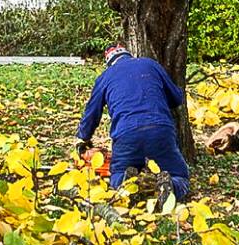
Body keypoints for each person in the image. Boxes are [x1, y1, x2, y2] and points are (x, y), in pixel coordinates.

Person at [77, 43, 192, 200]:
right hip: (159, 129)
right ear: (128, 54)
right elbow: (177, 98)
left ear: (109, 62)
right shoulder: (150, 64)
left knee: (117, 174)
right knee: (179, 174)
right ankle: (172, 186)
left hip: (126, 135)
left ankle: (125, 184)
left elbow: (91, 114)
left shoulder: (104, 77)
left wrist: (83, 138)